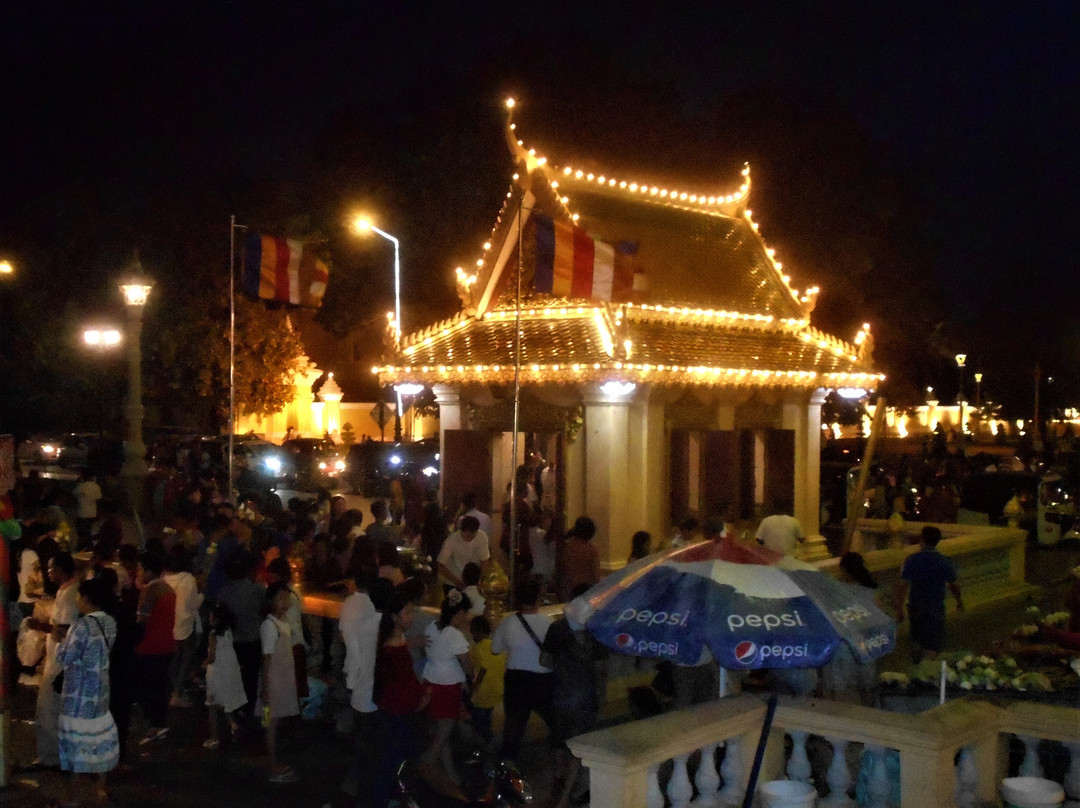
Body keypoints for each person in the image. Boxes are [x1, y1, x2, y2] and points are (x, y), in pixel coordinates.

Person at [543, 585, 609, 808]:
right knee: (579, 746)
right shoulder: (596, 629)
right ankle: (569, 794)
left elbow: (545, 660)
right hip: (585, 695)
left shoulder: (557, 629)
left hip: (559, 693)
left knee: (559, 742)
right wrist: (602, 694)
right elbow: (601, 669)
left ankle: (561, 785)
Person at [56, 576, 119, 803]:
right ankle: (101, 788)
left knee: (76, 748)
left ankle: (72, 798)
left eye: (80, 596)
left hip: (78, 696)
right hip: (100, 692)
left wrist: (58, 642)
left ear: (87, 598)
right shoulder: (110, 622)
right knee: (99, 742)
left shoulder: (81, 625)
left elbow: (65, 656)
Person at [373, 587, 430, 808]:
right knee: (393, 760)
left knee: (395, 759)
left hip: (398, 708)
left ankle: (393, 798)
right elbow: (402, 681)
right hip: (397, 711)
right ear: (395, 616)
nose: (412, 617)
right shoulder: (391, 647)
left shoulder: (396, 640)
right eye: (408, 613)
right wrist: (421, 694)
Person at [419, 588, 473, 798]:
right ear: (458, 614)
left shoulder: (433, 626)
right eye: (464, 614)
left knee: (442, 732)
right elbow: (467, 663)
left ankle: (452, 776)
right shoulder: (454, 635)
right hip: (448, 685)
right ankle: (425, 766)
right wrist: (471, 678)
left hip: (431, 679)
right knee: (444, 732)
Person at [492, 578, 553, 761]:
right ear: (538, 598)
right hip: (543, 680)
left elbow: (495, 649)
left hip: (517, 681)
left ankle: (508, 768)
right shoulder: (548, 623)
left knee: (513, 730)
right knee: (556, 724)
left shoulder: (508, 623)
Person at [31, 551, 79, 768]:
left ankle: (51, 757)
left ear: (61, 569)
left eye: (51, 568)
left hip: (61, 657)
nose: (48, 572)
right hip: (57, 656)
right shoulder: (66, 590)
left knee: (49, 706)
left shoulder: (70, 593)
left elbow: (65, 629)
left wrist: (40, 626)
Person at [894, 526, 963, 662]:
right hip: (935, 606)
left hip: (916, 606)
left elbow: (903, 584)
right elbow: (954, 585)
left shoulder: (912, 560)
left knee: (917, 639)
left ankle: (917, 666)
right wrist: (959, 601)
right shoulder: (944, 561)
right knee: (933, 642)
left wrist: (899, 607)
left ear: (922, 539)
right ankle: (928, 669)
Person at [820, 552, 880, 704]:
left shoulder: (834, 591)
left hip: (841, 647)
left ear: (844, 570)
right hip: (865, 646)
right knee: (867, 693)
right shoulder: (871, 593)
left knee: (839, 694)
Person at [135, 550, 178, 745]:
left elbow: (141, 620)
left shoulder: (149, 591)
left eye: (141, 568)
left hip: (150, 646)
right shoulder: (169, 589)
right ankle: (160, 723)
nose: (139, 572)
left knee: (148, 688)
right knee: (160, 687)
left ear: (149, 571)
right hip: (167, 644)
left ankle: (154, 726)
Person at [217, 550, 266, 716]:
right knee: (251, 676)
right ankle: (250, 708)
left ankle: (235, 708)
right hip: (253, 638)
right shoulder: (257, 590)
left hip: (233, 640)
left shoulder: (224, 592)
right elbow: (264, 609)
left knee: (235, 675)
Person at [261, 583, 300, 782]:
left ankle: (272, 761)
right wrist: (265, 689)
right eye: (281, 598)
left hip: (282, 679)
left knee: (274, 721)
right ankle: (271, 765)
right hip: (274, 682)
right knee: (271, 722)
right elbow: (267, 659)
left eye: (287, 598)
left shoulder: (281, 620)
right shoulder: (269, 625)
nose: (284, 603)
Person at [203, 602, 247, 750]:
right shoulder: (228, 632)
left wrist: (202, 665)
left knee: (213, 707)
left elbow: (212, 656)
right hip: (228, 671)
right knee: (226, 702)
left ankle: (214, 738)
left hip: (216, 674)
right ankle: (233, 725)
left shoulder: (213, 635)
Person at [163, 546, 203, 708]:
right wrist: (202, 594)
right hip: (185, 624)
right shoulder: (188, 579)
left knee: (174, 658)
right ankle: (177, 693)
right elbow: (193, 604)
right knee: (186, 658)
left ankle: (173, 689)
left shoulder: (164, 578)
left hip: (168, 624)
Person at [468, 615, 503, 750]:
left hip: (483, 695)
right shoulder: (497, 646)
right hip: (497, 692)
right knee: (489, 723)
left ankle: (484, 752)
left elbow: (483, 668)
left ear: (476, 631)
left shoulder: (479, 647)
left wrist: (474, 685)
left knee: (480, 726)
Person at [437, 515, 491, 591]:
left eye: (473, 535)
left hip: (473, 582)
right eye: (468, 534)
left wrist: (480, 579)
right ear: (461, 530)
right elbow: (440, 565)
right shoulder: (452, 540)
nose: (470, 537)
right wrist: (457, 582)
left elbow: (484, 560)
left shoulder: (482, 536)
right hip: (453, 582)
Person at [557, 516, 601, 603]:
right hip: (585, 588)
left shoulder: (566, 546)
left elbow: (561, 568)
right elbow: (595, 573)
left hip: (568, 587)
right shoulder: (591, 549)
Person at [72, 472, 102, 549]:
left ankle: (82, 547)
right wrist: (98, 512)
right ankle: (88, 546)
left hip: (81, 512)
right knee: (88, 530)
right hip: (92, 513)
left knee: (82, 532)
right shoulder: (96, 486)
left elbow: (73, 495)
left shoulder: (80, 486)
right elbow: (98, 500)